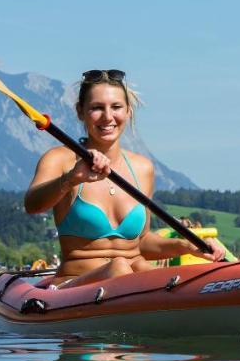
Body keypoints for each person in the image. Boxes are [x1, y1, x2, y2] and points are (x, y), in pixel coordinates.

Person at [24, 69, 225, 288]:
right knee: (119, 266)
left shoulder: (143, 168)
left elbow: (143, 242)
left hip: (133, 279)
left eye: (116, 107)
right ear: (81, 111)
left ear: (128, 111)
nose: (108, 116)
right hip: (76, 286)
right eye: (97, 108)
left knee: (149, 270)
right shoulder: (60, 159)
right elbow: (32, 205)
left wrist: (186, 246)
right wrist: (70, 179)